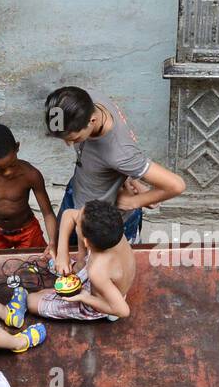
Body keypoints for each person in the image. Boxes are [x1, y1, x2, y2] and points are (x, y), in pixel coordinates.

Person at [45, 86, 185, 262]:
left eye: (74, 139)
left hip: (102, 223)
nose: (68, 144)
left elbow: (176, 185)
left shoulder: (119, 153)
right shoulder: (88, 98)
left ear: (92, 120)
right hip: (77, 192)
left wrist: (134, 201)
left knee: (106, 272)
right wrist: (131, 178)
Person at [28, 199, 135, 322]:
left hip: (98, 303)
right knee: (52, 289)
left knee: (31, 301)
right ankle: (79, 266)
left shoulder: (97, 271)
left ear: (86, 242)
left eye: (78, 221)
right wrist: (62, 254)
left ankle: (108, 310)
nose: (76, 214)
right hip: (110, 282)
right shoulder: (112, 232)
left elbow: (123, 310)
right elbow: (69, 214)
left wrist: (85, 298)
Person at [0, 122, 58, 255]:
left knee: (37, 264)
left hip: (27, 230)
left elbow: (48, 213)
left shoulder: (31, 175)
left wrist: (53, 241)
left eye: (11, 164)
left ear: (17, 147)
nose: (7, 172)